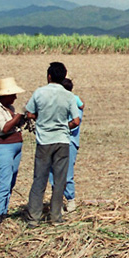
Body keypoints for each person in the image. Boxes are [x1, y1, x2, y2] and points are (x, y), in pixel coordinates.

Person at [24, 62, 81, 227]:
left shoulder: (39, 92)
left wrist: (40, 120)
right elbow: (76, 120)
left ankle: (33, 218)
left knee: (39, 179)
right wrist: (65, 126)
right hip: (62, 141)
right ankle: (55, 217)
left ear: (49, 76)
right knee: (60, 180)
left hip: (44, 141)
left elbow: (29, 113)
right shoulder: (69, 96)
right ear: (64, 77)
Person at [0, 78, 27, 228]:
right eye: (13, 94)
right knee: (4, 182)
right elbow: (4, 128)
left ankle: (3, 211)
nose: (15, 97)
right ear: (6, 95)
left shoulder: (9, 107)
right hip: (3, 146)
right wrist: (19, 115)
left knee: (11, 181)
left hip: (15, 145)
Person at [49, 78, 84, 212]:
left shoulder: (72, 103)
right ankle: (57, 201)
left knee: (66, 173)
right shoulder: (71, 101)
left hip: (69, 142)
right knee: (53, 173)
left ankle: (70, 200)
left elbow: (74, 123)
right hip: (55, 140)